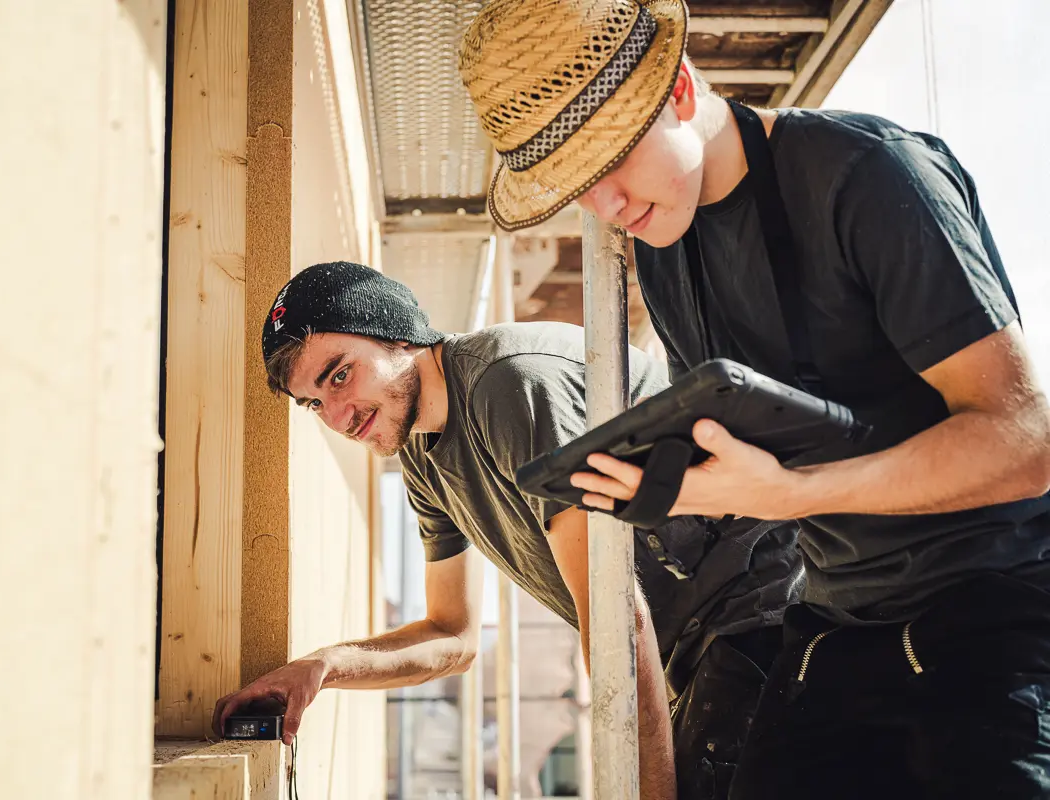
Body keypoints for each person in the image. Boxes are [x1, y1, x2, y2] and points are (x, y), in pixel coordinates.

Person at [458, 0, 1050, 797]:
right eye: (577, 187)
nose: (606, 209)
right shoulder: (664, 251)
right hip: (837, 618)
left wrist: (791, 493)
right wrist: (675, 480)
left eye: (612, 162)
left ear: (678, 91)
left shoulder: (870, 174)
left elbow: (1025, 444)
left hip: (995, 609)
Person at [213, 261, 802, 799]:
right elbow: (455, 636)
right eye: (315, 404)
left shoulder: (509, 383)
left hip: (764, 613)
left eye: (339, 376)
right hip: (694, 653)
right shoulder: (422, 456)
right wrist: (323, 666)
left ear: (397, 333)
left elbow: (615, 611)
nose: (338, 417)